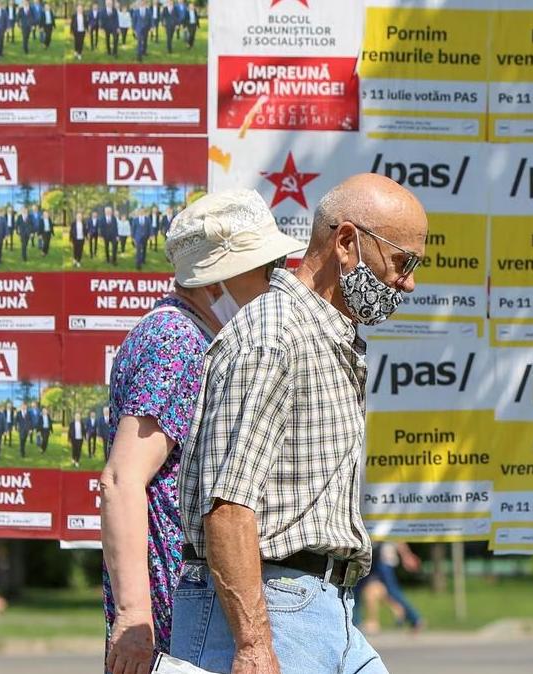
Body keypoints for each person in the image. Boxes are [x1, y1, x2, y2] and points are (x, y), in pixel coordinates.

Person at [171, 174, 427, 673]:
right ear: (347, 243)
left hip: (325, 605)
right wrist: (253, 645)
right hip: (271, 610)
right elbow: (227, 507)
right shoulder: (274, 335)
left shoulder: (323, 334)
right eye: (403, 261)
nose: (409, 282)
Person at [100, 189, 302, 674]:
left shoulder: (196, 336)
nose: (278, 278)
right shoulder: (176, 341)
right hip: (171, 613)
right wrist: (135, 618)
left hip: (184, 605)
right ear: (218, 279)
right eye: (265, 266)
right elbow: (122, 481)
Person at [353, 542, 423, 634]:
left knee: (391, 591)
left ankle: (414, 618)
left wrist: (406, 555)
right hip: (371, 558)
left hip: (383, 560)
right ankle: (355, 623)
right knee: (357, 589)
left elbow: (397, 537)